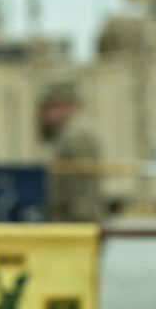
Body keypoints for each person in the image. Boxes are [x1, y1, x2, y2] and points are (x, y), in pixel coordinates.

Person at [38, 81, 106, 223]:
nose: (44, 115)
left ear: (66, 106)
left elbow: (82, 188)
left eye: (49, 108)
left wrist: (81, 221)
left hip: (77, 222)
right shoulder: (65, 134)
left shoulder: (77, 135)